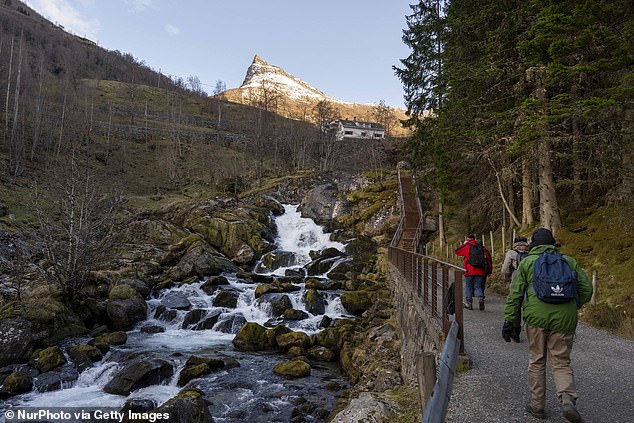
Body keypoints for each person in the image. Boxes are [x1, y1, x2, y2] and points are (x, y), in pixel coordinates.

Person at [503, 228, 592, 422]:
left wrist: (509, 320)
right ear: (552, 243)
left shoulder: (526, 262)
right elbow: (587, 289)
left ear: (533, 244)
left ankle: (537, 406)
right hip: (565, 320)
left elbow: (515, 294)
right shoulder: (568, 261)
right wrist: (573, 305)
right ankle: (567, 399)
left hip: (535, 318)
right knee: (561, 361)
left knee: (537, 360)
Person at [501, 236, 529, 342]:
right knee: (528, 304)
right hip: (529, 282)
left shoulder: (511, 253)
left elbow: (505, 269)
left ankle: (515, 331)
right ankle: (531, 329)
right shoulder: (531, 253)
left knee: (515, 304)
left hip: (516, 278)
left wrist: (507, 276)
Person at [455, 234, 492, 311]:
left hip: (469, 271)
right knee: (478, 286)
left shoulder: (467, 246)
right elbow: (488, 259)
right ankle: (480, 298)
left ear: (468, 239)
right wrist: (488, 271)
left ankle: (469, 303)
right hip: (480, 271)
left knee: (468, 286)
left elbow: (457, 252)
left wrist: (464, 244)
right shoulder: (482, 247)